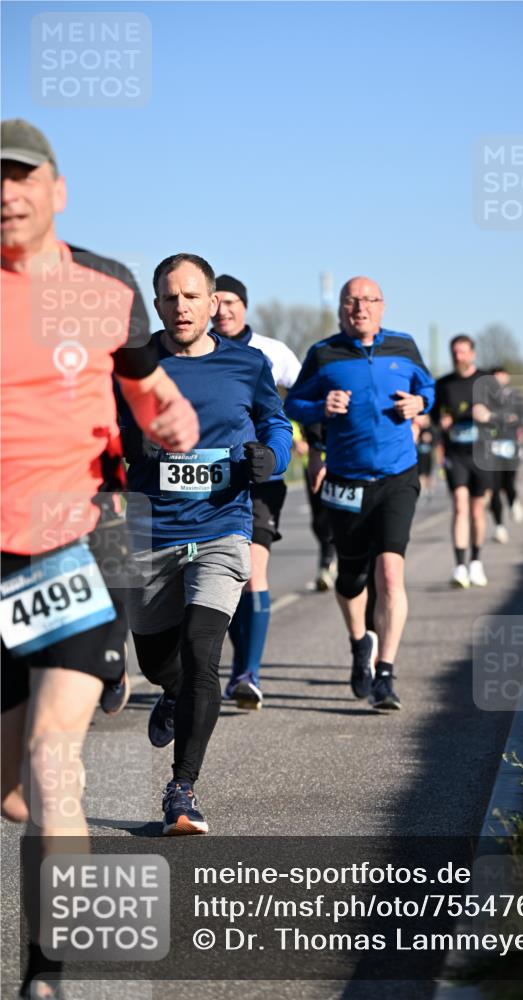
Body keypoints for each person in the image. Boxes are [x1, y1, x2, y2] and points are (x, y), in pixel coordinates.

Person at [0, 119, 199, 1000]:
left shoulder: (105, 287)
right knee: (17, 788)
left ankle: (47, 973)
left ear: (56, 188)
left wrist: (168, 419)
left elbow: (147, 385)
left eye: (21, 177)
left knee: (53, 762)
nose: (6, 194)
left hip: (72, 550)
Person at [120, 254, 292, 835]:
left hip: (222, 527)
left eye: (191, 296)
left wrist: (273, 458)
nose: (181, 307)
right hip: (151, 532)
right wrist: (127, 445)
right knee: (156, 660)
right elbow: (99, 429)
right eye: (169, 298)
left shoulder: (246, 364)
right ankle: (169, 693)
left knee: (202, 651)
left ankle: (182, 791)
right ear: (156, 303)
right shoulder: (133, 367)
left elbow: (275, 424)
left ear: (213, 300)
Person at [285, 276, 434, 711]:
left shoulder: (403, 347)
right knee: (351, 577)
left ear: (382, 306)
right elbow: (293, 403)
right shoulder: (323, 354)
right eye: (352, 301)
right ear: (341, 309)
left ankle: (386, 674)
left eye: (369, 300)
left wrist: (419, 405)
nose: (360, 308)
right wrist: (320, 408)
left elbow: (428, 388)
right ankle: (358, 646)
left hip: (397, 475)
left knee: (390, 573)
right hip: (346, 480)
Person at [211, 275, 300, 708]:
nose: (224, 310)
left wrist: (306, 445)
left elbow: (302, 401)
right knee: (230, 577)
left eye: (232, 302)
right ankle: (236, 665)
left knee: (255, 573)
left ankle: (249, 672)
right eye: (218, 302)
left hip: (264, 480)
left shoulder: (272, 351)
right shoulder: (199, 352)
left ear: (244, 306)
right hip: (215, 482)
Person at [431, 335, 494, 588]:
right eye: (455, 352)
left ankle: (476, 562)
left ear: (473, 354)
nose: (459, 356)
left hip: (482, 454)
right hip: (455, 453)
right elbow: (433, 419)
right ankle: (459, 566)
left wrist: (489, 415)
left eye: (463, 352)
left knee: (477, 510)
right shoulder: (443, 384)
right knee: (459, 505)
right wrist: (440, 426)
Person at [291, 421, 337, 590]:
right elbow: (293, 419)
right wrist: (296, 440)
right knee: (318, 520)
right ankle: (329, 558)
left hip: (337, 465)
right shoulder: (308, 395)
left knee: (333, 516)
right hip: (312, 466)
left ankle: (327, 564)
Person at [487, 366, 523, 542]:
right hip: (490, 446)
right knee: (493, 488)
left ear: (507, 377)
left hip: (509, 444)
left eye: (501, 375)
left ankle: (513, 501)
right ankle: (499, 527)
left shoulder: (516, 397)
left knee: (508, 481)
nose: (498, 379)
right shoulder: (485, 397)